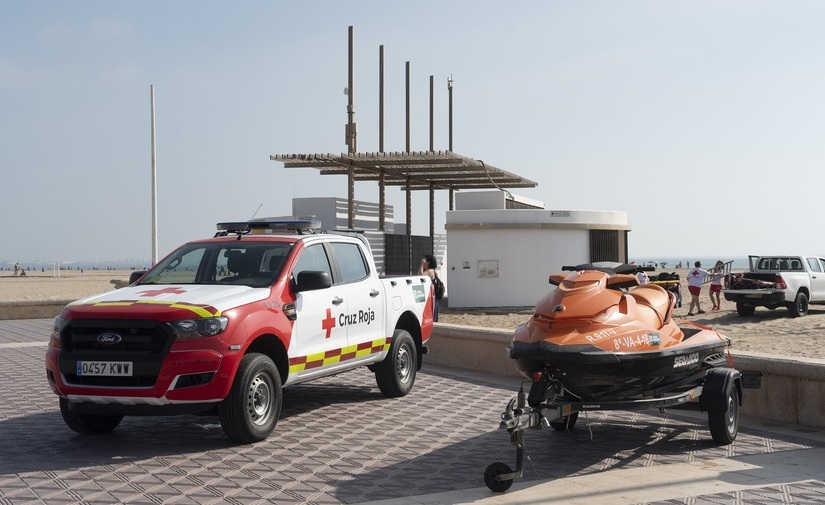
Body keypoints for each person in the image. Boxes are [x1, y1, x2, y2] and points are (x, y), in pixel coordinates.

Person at [418, 254, 439, 322]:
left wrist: (421, 265)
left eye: (424, 260)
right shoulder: (432, 270)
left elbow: (420, 276)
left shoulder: (430, 271)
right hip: (432, 296)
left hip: (431, 297)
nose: (423, 261)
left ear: (428, 262)